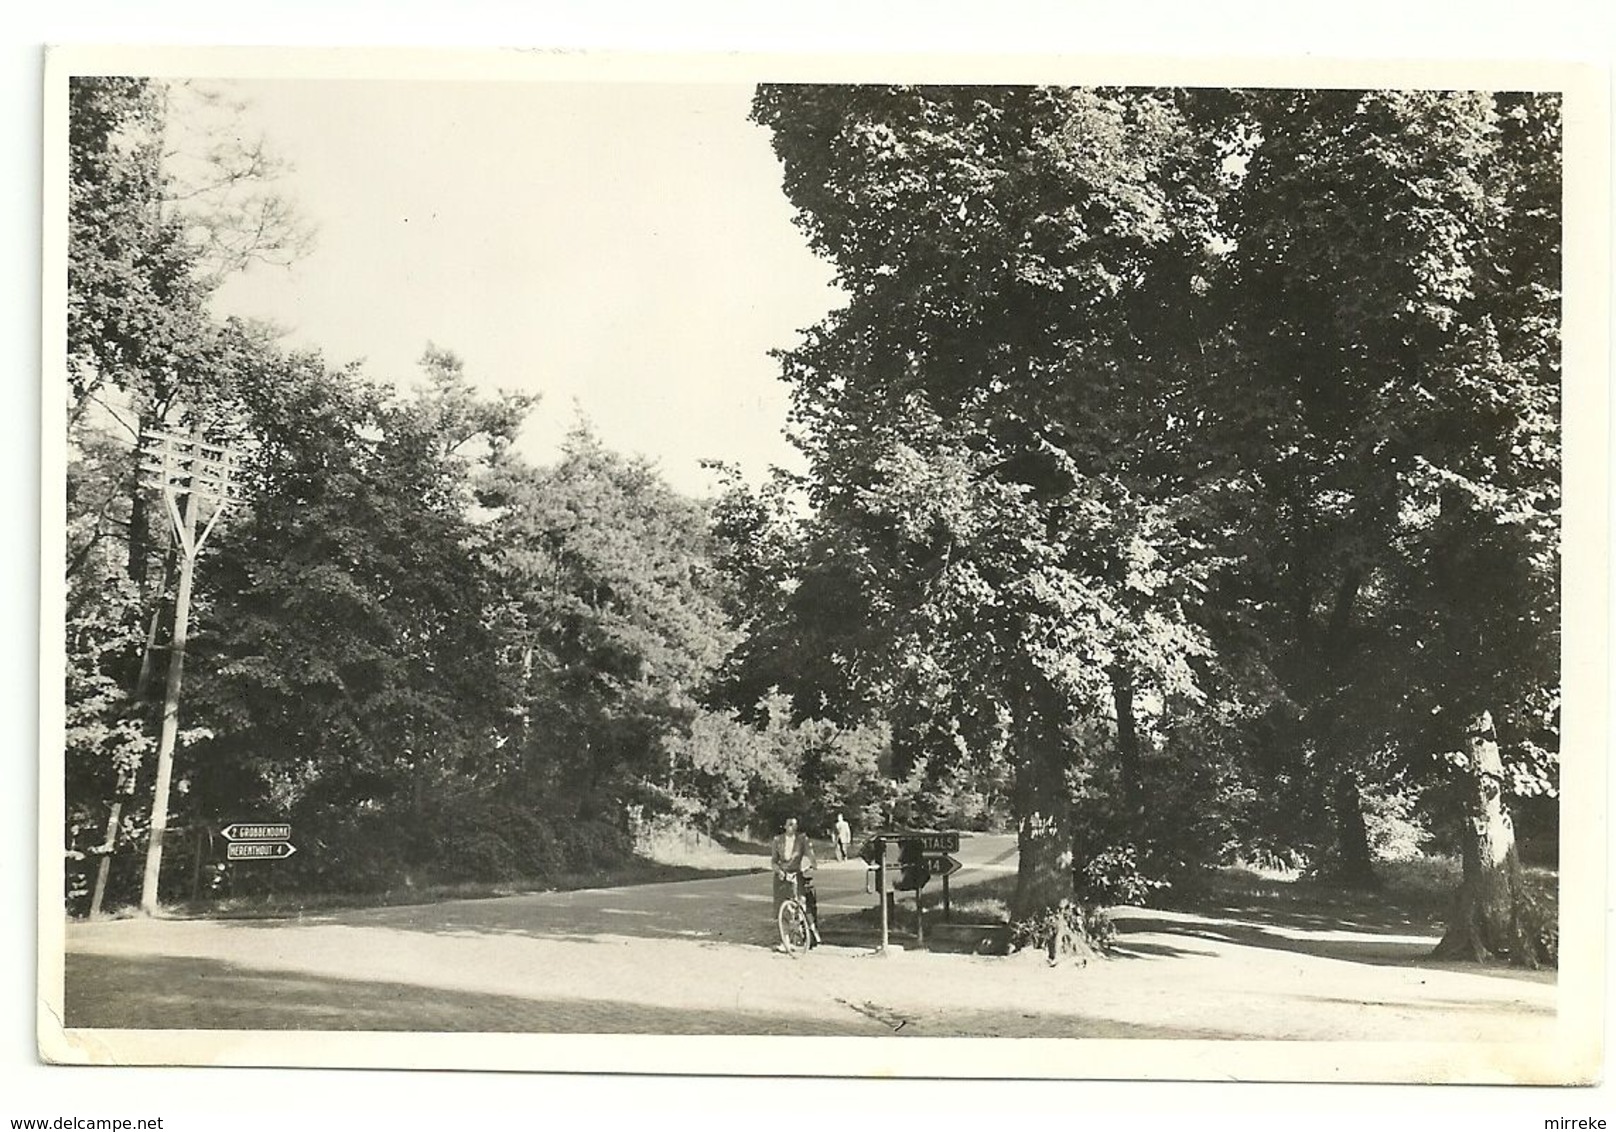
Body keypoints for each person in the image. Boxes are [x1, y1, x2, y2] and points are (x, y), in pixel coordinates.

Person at [771, 816, 820, 946]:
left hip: (796, 875)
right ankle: (785, 941)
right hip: (781, 877)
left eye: (795, 824)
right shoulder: (777, 840)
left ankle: (804, 935)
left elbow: (810, 852)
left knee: (800, 904)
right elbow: (774, 862)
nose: (793, 827)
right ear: (785, 826)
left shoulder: (802, 839)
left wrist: (813, 863)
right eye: (790, 824)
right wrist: (779, 871)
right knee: (783, 909)